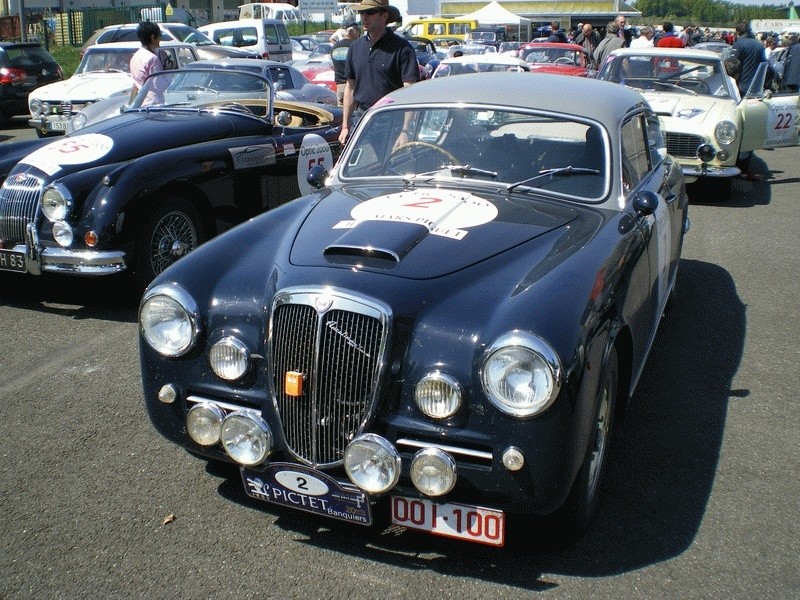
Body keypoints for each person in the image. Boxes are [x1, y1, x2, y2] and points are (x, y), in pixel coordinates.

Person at [339, 0, 419, 145]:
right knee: (355, 167)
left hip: (391, 122)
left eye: (369, 12)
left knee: (388, 167)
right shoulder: (355, 47)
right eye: (361, 12)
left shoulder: (402, 48)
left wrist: (405, 131)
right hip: (361, 119)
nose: (364, 17)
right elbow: (350, 88)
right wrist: (345, 126)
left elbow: (410, 92)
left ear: (384, 16)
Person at [129, 21, 164, 105]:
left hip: (139, 102)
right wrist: (169, 72)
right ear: (153, 37)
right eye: (159, 36)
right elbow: (159, 86)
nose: (160, 39)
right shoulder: (152, 59)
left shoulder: (135, 56)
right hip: (153, 103)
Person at [331, 18, 361, 106]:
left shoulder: (335, 47)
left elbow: (334, 66)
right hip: (353, 87)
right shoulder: (357, 46)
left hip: (339, 86)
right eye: (357, 30)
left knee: (341, 115)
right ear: (353, 31)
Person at [732, 22, 767, 96]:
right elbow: (764, 64)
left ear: (738, 32)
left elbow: (733, 65)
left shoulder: (739, 44)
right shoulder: (759, 45)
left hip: (741, 85)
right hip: (756, 85)